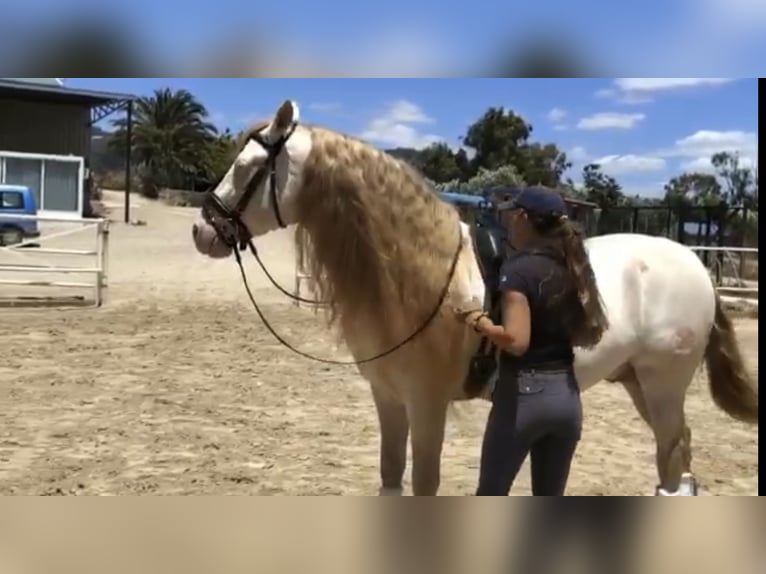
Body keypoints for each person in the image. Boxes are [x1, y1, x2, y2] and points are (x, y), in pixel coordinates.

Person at [457, 186, 609, 496]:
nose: (511, 223)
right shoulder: (572, 268)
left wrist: (478, 321)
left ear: (525, 218)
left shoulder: (518, 271)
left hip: (524, 398)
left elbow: (516, 340)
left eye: (514, 216)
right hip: (567, 398)